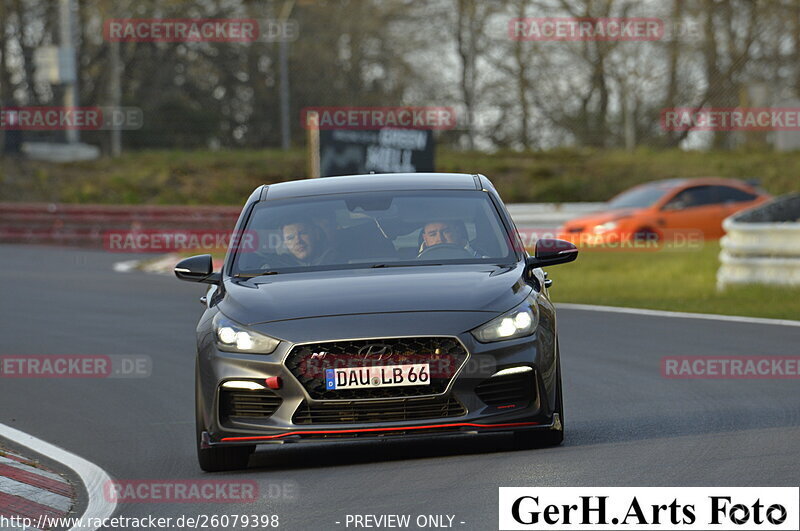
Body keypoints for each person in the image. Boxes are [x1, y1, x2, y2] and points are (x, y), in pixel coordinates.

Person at [418, 220, 483, 257]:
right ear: (425, 238)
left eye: (446, 232)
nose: (440, 239)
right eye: (433, 234)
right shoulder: (410, 265)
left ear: (457, 232)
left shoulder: (483, 261)